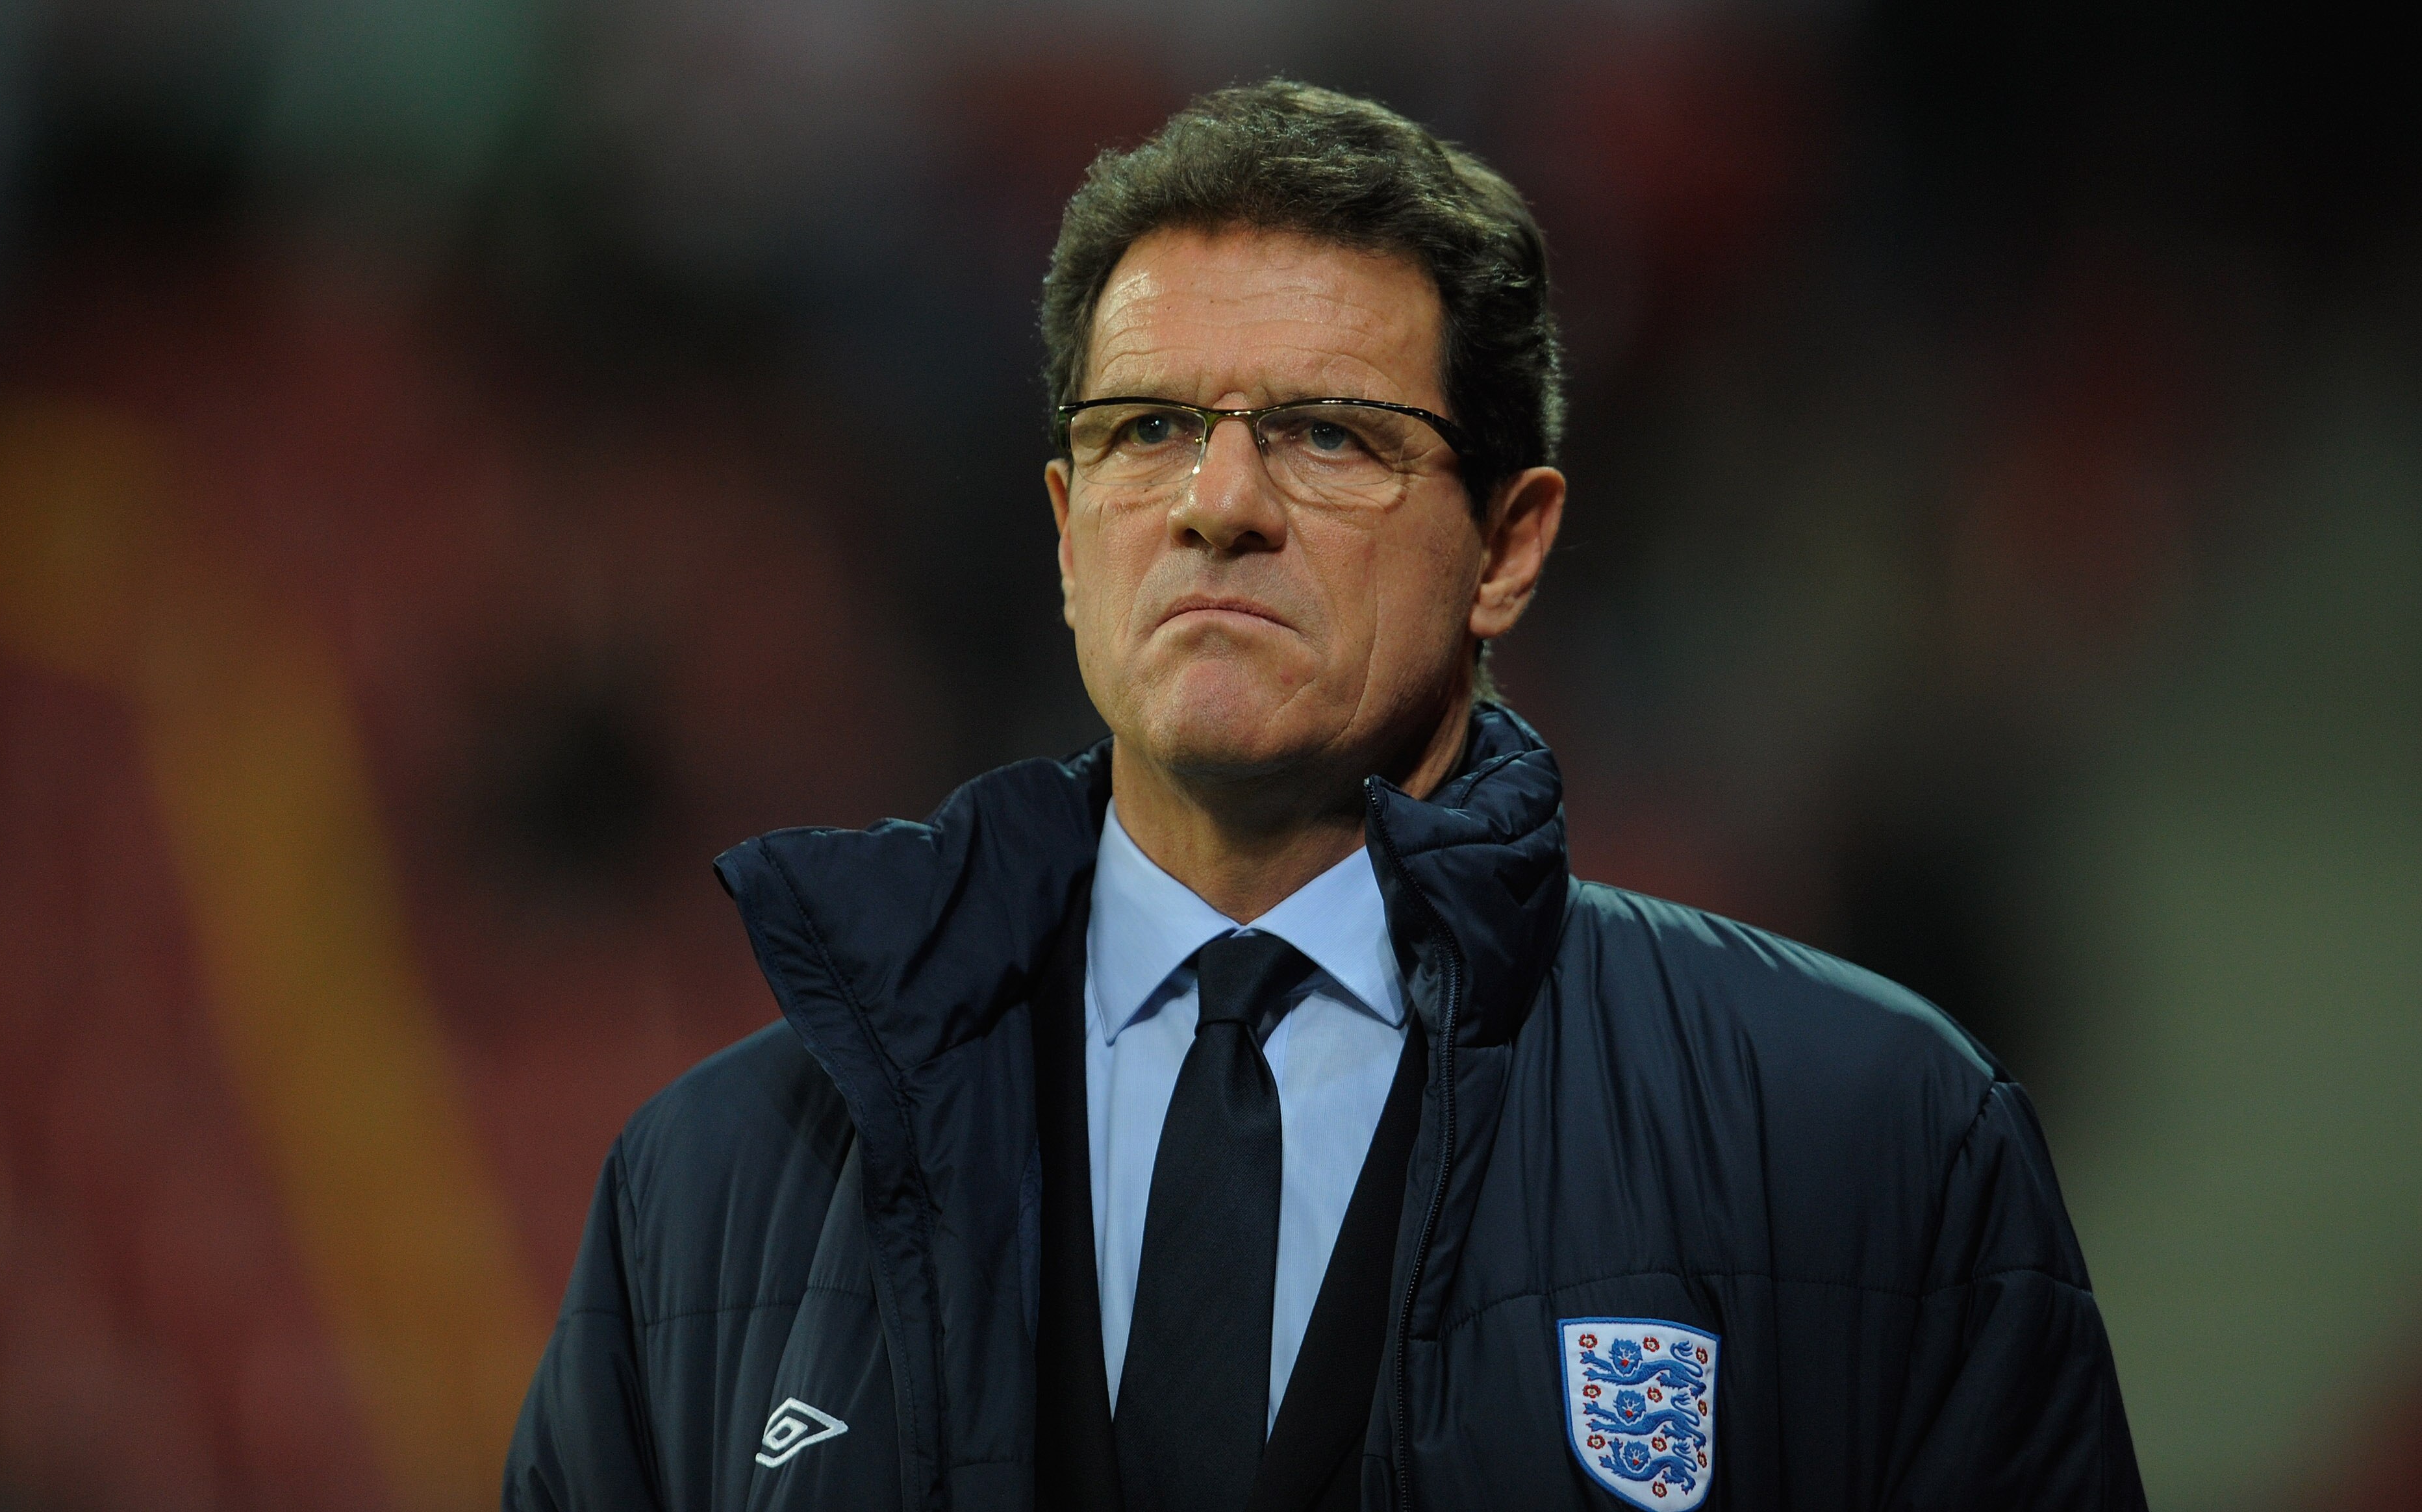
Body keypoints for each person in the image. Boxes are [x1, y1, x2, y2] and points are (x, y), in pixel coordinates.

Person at [502, 81, 2144, 1512]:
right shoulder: (705, 1190)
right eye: (1148, 430)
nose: (1218, 503)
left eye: (1327, 438)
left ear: (1508, 545)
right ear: (1069, 530)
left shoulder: (1870, 1138)